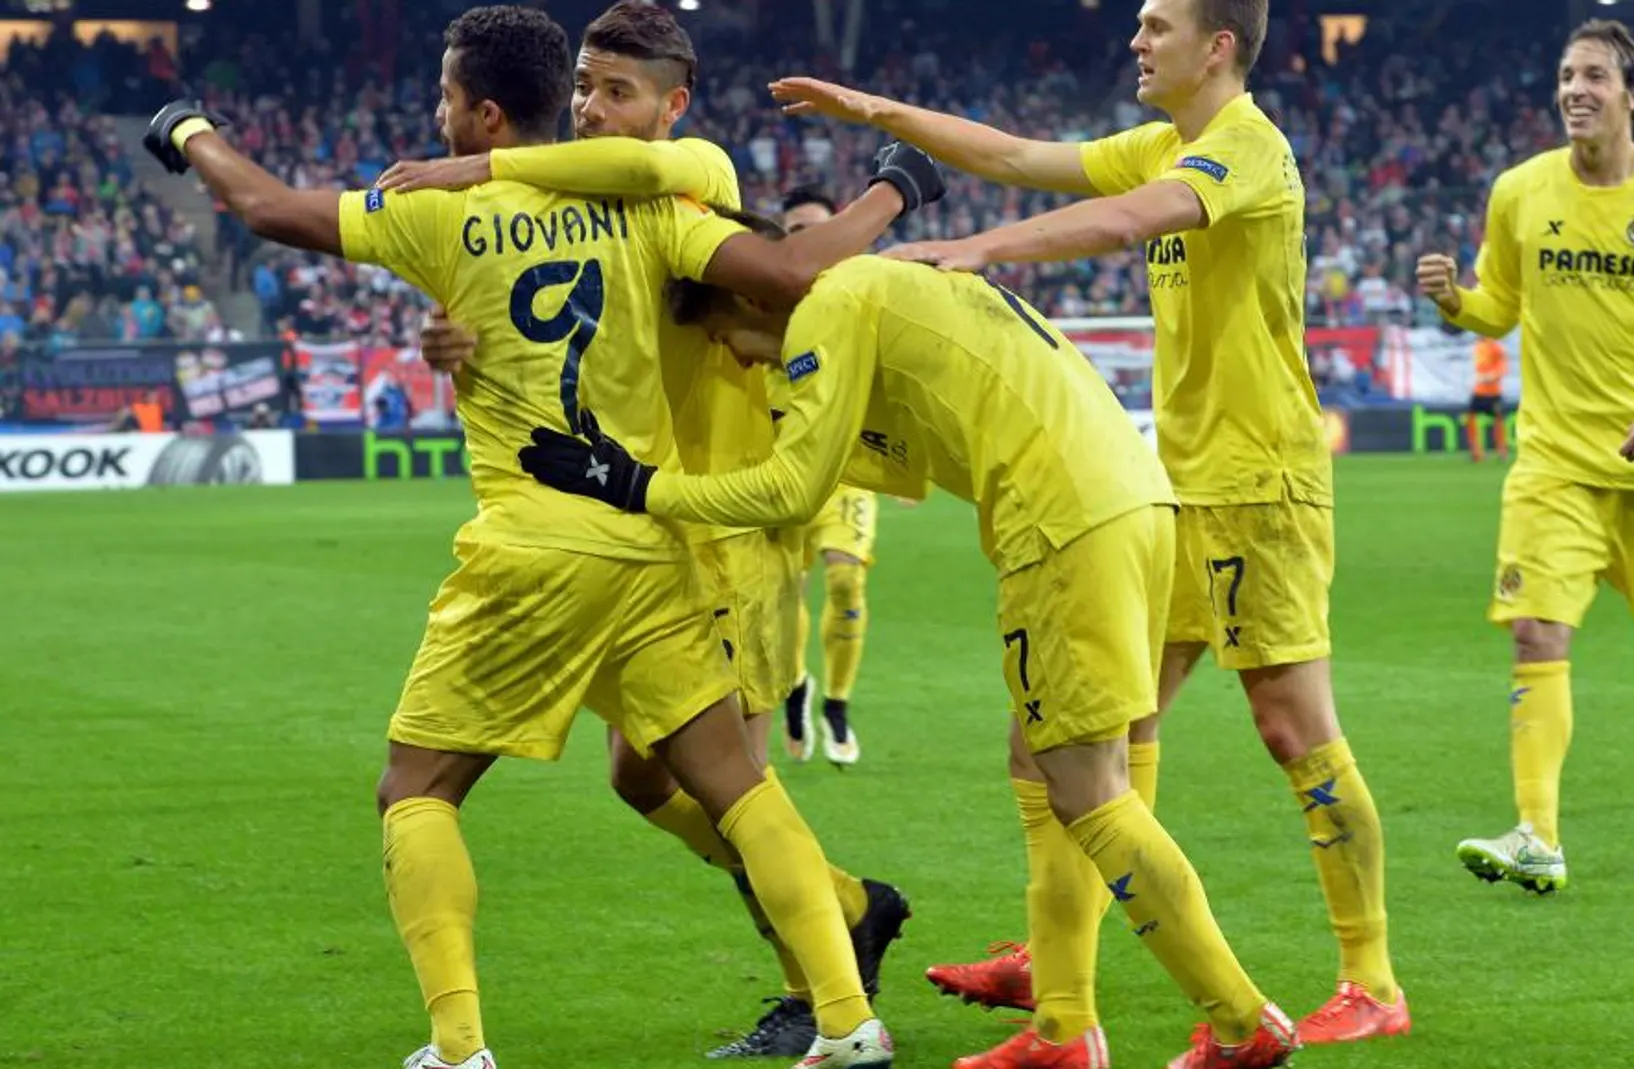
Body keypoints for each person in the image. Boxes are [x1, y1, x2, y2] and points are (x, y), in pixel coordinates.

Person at [141, 6, 941, 1065]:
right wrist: (894, 187)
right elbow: (787, 274)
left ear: (479, 113)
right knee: (727, 785)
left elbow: (266, 208)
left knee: (416, 789)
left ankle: (459, 1046)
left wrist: (187, 128)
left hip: (537, 547)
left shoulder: (448, 209)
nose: (436, 121)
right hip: (651, 540)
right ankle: (849, 1019)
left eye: (442, 101)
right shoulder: (659, 207)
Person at [768, 0, 1406, 1047]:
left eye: (1158, 25)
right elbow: (1020, 154)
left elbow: (1119, 221)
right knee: (1095, 733)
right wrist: (876, 108)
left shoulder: (1245, 148)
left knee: (1291, 724)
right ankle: (1061, 957)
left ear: (1217, 47)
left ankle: (1371, 975)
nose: (1135, 40)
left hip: (1258, 482)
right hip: (1170, 479)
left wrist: (977, 249)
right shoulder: (1165, 140)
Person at [517, 223, 1302, 1069]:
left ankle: (1239, 1021)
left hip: (1063, 519)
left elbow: (793, 487)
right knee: (1044, 764)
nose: (737, 361)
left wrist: (631, 482)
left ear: (749, 296)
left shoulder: (826, 308)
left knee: (1089, 789)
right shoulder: (872, 289)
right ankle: (1065, 1029)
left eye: (724, 339)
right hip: (1129, 499)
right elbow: (902, 455)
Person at [377, 5, 911, 1057]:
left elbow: (743, 242)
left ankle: (821, 993)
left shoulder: (690, 181)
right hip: (633, 527)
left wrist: (467, 173)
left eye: (615, 92)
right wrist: (463, 346)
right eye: (581, 87)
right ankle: (843, 908)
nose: (587, 109)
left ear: (672, 107)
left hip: (728, 525)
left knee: (736, 779)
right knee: (641, 776)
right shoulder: (582, 209)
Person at [1415, 18, 1634, 892]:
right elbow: (1500, 306)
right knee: (1534, 631)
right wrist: (1455, 303)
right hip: (1553, 461)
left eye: (1594, 75)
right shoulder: (1520, 191)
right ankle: (1537, 834)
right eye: (1565, 75)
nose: (1574, 89)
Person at [778, 185, 881, 767]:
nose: (810, 242)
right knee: (783, 593)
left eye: (820, 228)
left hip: (847, 471)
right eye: (796, 232)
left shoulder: (863, 296)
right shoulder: (762, 298)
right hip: (780, 470)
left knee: (845, 582)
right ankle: (795, 688)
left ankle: (837, 703)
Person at [1467, 337, 1510, 462]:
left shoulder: (1496, 347)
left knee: (1498, 420)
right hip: (1479, 391)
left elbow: (1503, 368)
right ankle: (1476, 451)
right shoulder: (1478, 346)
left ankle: (1502, 450)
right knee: (1471, 418)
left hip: (1493, 392)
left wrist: (1490, 377)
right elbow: (1478, 367)